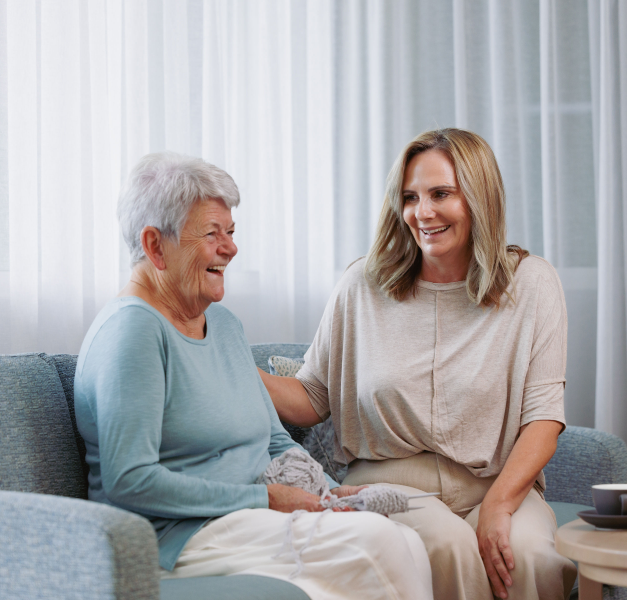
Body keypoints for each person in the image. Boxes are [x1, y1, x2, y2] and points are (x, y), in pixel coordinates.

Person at [74, 152, 432, 600]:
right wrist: (266, 500)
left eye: (231, 232)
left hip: (247, 518)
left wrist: (330, 491)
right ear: (154, 246)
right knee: (377, 544)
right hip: (179, 536)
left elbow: (274, 439)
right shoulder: (133, 331)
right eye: (212, 234)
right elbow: (131, 480)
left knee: (408, 540)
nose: (231, 248)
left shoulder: (224, 326)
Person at [261, 129, 577, 600]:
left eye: (440, 194)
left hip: (496, 483)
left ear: (479, 197)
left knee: (528, 557)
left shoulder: (530, 283)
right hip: (390, 484)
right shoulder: (361, 285)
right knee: (449, 548)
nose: (422, 212)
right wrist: (225, 367)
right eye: (409, 197)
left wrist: (498, 506)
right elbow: (313, 396)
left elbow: (544, 418)